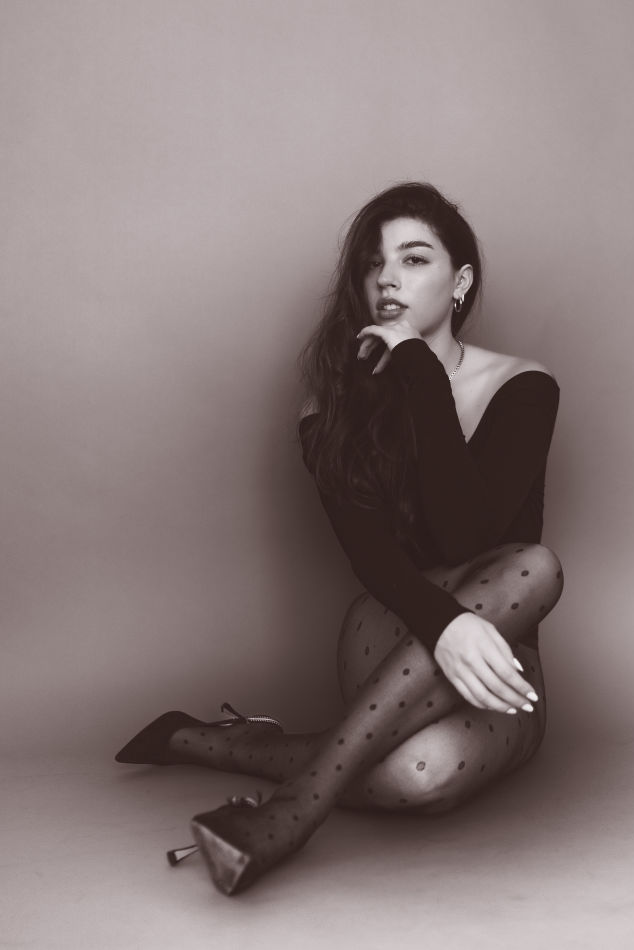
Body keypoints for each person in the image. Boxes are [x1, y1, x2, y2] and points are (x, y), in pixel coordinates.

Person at [114, 182, 564, 896]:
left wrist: (420, 369)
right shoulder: (329, 407)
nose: (387, 278)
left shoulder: (524, 387)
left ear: (460, 282)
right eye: (373, 263)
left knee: (427, 762)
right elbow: (375, 562)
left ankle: (242, 751)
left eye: (413, 259)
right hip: (391, 626)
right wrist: (442, 623)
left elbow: (469, 533)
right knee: (534, 566)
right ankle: (294, 812)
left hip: (495, 659)